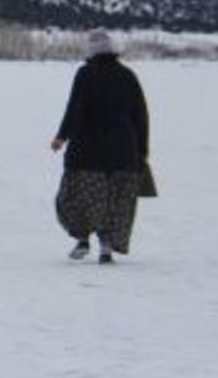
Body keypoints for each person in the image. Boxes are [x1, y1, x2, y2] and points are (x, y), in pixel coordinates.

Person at [51, 30, 150, 264]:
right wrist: (142, 151)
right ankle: (106, 247)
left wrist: (62, 136)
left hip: (88, 150)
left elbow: (75, 108)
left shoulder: (86, 74)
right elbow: (140, 115)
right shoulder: (128, 75)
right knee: (114, 200)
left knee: (77, 196)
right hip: (124, 150)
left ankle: (83, 239)